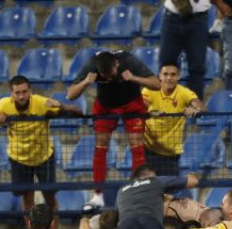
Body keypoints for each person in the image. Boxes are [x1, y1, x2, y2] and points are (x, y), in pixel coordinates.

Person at [67, 51, 161, 210]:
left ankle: (138, 193)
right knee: (100, 147)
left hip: (131, 104)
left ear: (117, 64)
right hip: (105, 107)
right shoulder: (92, 65)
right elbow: (70, 95)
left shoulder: (128, 60)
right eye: (106, 76)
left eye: (112, 74)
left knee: (137, 146)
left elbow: (157, 84)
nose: (109, 79)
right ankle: (97, 196)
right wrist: (85, 82)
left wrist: (134, 78)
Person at [0, 76, 82, 220]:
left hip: (44, 157)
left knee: (50, 199)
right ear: (11, 93)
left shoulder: (42, 103)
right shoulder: (3, 105)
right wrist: (1, 121)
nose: (21, 96)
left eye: (24, 91)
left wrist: (61, 106)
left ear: (30, 91)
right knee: (27, 200)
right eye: (17, 93)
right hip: (19, 159)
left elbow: (77, 112)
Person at [142, 63, 205, 176]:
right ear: (159, 76)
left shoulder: (184, 93)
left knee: (169, 193)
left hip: (170, 155)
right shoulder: (150, 90)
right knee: (149, 191)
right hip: (148, 151)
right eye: (165, 74)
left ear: (178, 77)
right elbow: (140, 107)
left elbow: (201, 106)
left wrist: (196, 109)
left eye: (173, 74)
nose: (169, 78)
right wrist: (148, 113)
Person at [159, 0, 212, 99]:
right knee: (166, 66)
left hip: (199, 18)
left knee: (197, 68)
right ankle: (165, 106)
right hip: (172, 15)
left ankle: (194, 108)